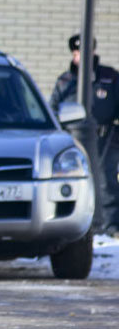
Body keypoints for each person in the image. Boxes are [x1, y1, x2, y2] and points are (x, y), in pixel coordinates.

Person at [50, 33, 119, 234]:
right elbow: (53, 108)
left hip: (107, 138)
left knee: (107, 181)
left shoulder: (110, 77)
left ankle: (110, 225)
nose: (81, 56)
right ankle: (82, 224)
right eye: (77, 52)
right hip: (73, 139)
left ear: (93, 52)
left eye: (85, 51)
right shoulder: (65, 81)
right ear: (73, 54)